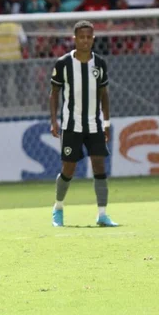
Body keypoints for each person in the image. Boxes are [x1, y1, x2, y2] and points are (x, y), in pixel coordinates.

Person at [49, 20, 118, 228]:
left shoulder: (100, 64)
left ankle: (102, 214)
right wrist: (54, 121)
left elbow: (104, 95)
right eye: (81, 37)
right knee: (69, 168)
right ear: (75, 39)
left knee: (99, 165)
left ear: (93, 39)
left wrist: (106, 122)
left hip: (94, 125)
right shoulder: (63, 63)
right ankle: (58, 208)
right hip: (71, 125)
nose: (85, 40)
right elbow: (54, 94)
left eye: (89, 37)